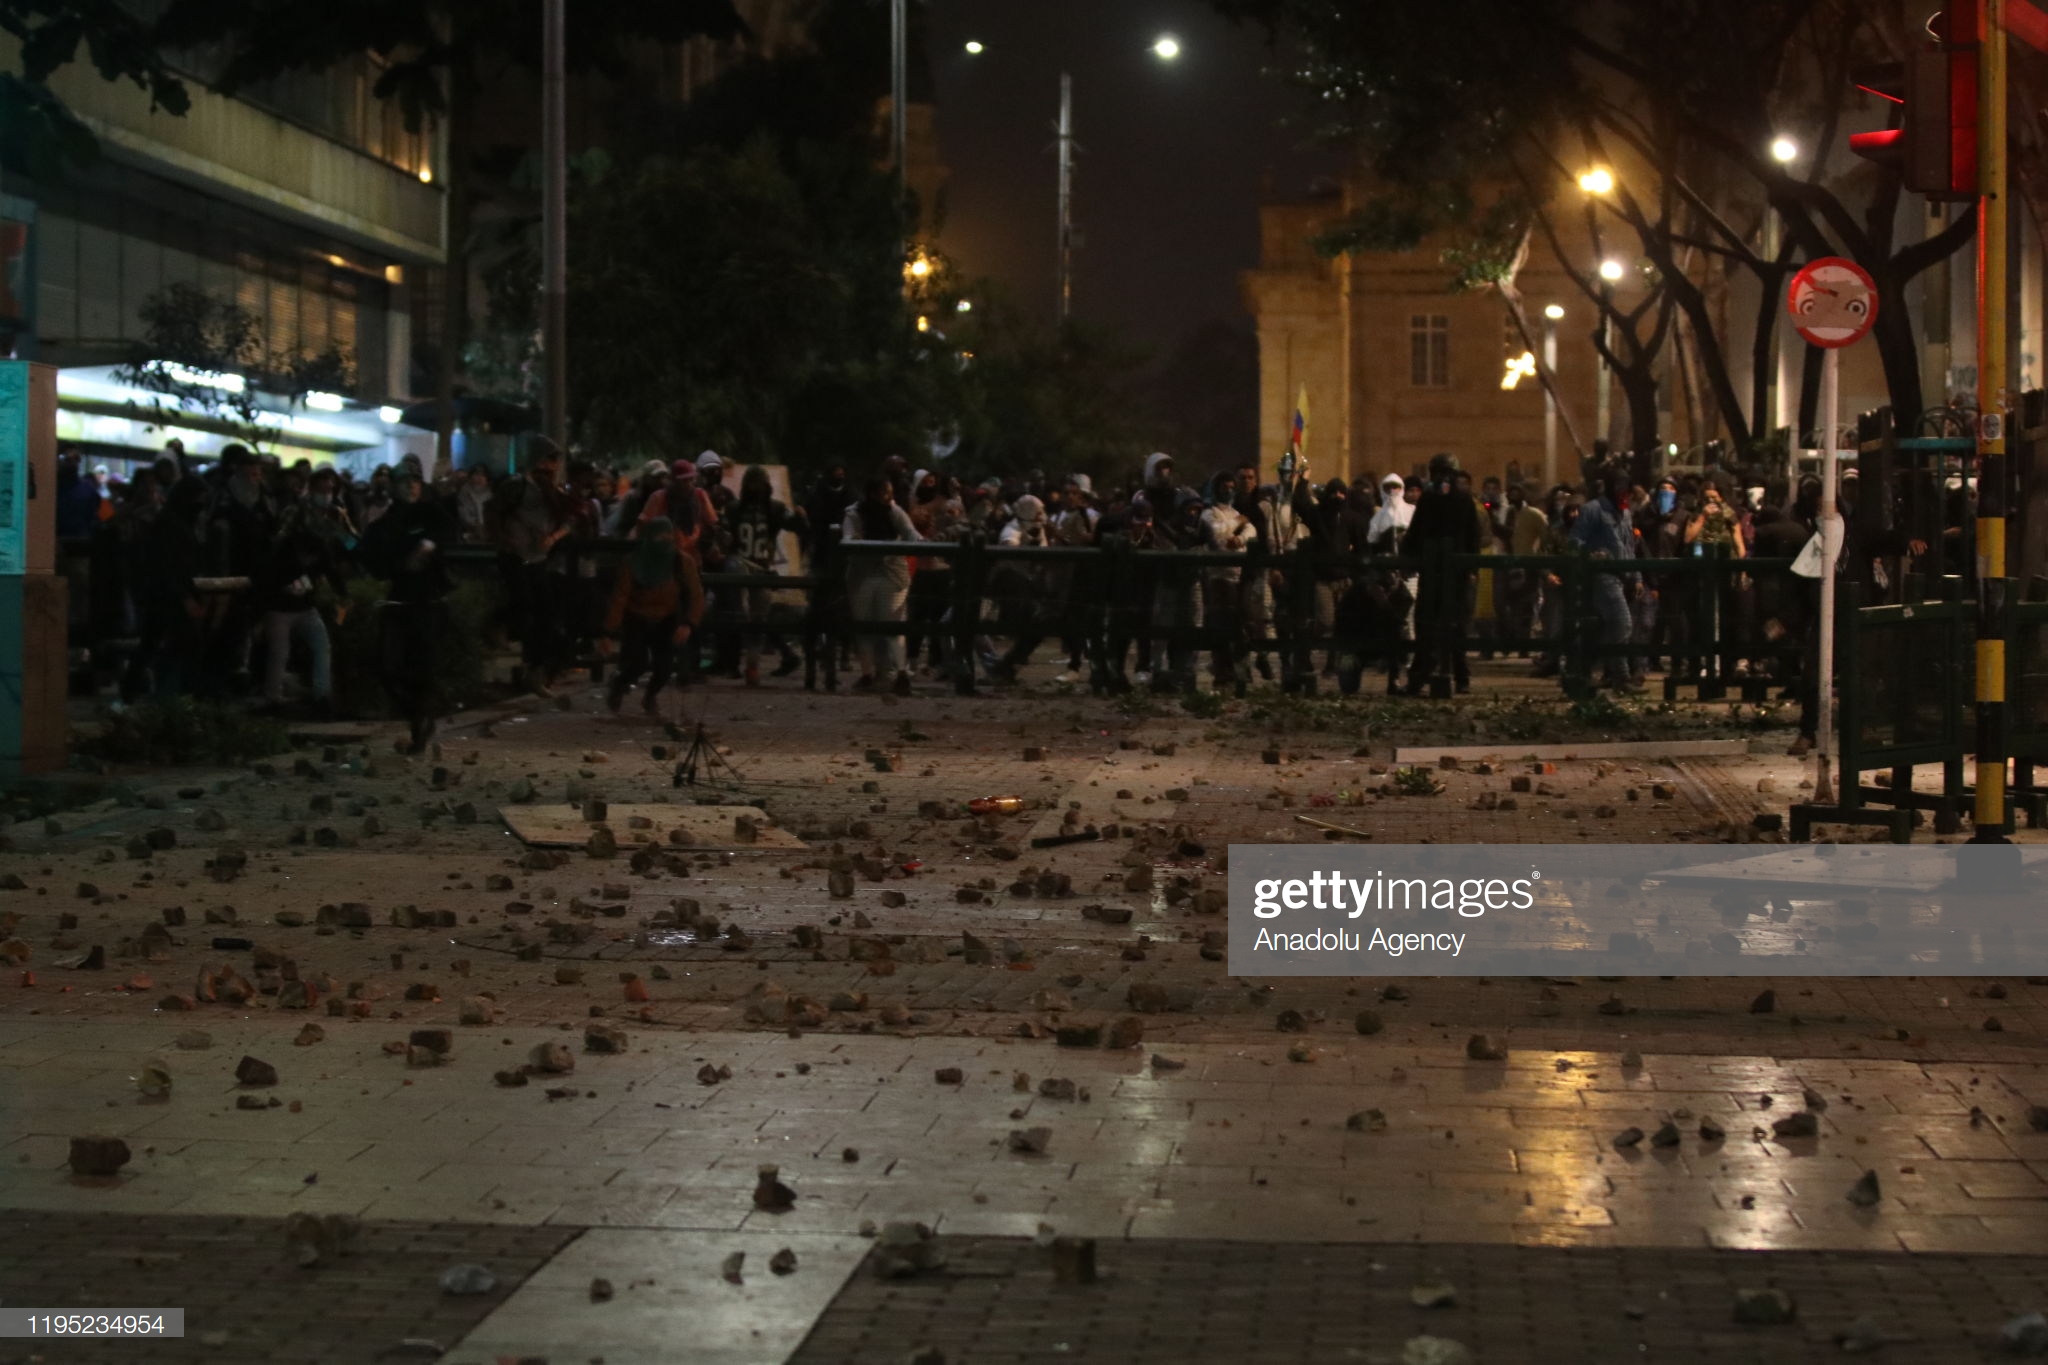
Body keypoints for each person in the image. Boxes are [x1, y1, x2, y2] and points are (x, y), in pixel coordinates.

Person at [364, 469, 455, 753]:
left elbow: (447, 532)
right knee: (388, 667)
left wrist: (428, 547)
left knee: (424, 668)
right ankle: (417, 714)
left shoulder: (431, 513)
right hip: (399, 602)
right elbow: (374, 560)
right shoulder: (386, 522)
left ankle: (420, 725)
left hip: (428, 601)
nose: (411, 487)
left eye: (415, 482)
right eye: (405, 482)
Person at [494, 439, 574, 694]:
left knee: (546, 614)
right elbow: (494, 513)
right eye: (549, 460)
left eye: (556, 461)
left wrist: (553, 537)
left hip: (538, 558)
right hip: (515, 556)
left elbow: (569, 520)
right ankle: (499, 626)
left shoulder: (553, 491)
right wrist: (505, 541)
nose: (553, 466)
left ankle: (536, 669)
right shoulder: (516, 487)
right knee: (525, 606)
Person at [605, 517, 706, 716]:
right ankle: (619, 685)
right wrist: (607, 631)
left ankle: (650, 697)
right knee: (636, 662)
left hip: (667, 618)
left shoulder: (682, 562)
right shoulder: (632, 563)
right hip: (637, 616)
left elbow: (696, 595)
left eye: (668, 535)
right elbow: (620, 597)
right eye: (659, 536)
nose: (664, 540)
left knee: (664, 667)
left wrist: (688, 624)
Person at [1403, 454, 1481, 697]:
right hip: (1434, 571)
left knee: (1454, 626)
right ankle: (1422, 678)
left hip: (1452, 573)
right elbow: (1417, 532)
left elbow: (1473, 536)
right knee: (1429, 625)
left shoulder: (1462, 500)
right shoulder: (1433, 499)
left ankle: (1457, 677)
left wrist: (1470, 569)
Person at [723, 465, 804, 684]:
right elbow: (723, 534)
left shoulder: (775, 509)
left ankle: (752, 666)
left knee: (759, 619)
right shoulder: (734, 509)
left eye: (759, 483)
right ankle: (739, 662)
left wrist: (800, 518)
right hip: (741, 561)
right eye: (752, 483)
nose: (756, 488)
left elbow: (795, 526)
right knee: (739, 606)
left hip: (761, 566)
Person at [841, 477, 922, 695]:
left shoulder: (894, 512)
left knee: (894, 626)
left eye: (889, 493)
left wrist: (915, 543)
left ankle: (901, 673)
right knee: (864, 625)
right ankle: (868, 674)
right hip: (862, 574)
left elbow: (911, 534)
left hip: (891, 572)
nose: (888, 497)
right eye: (884, 493)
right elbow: (847, 538)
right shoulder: (855, 513)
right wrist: (855, 542)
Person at [1570, 469, 1642, 692]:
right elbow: (1575, 540)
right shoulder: (1593, 509)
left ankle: (1588, 673)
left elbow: (1629, 545)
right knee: (1621, 622)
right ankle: (1620, 677)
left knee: (1603, 628)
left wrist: (1636, 576)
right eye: (1618, 486)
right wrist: (1592, 556)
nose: (1622, 491)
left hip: (1622, 575)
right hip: (1603, 576)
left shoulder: (1624, 513)